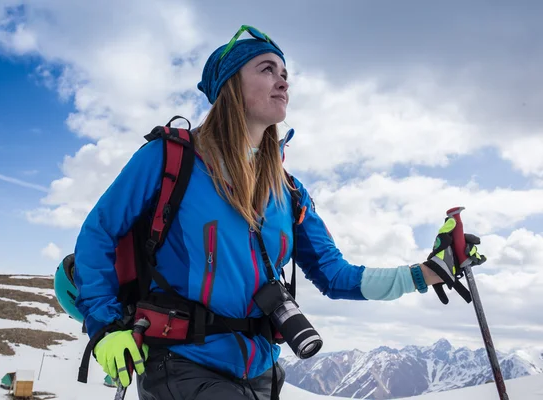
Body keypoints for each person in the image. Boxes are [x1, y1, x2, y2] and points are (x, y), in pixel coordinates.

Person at [72, 25, 486, 400]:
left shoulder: (287, 191)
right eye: (267, 69)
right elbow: (99, 233)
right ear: (232, 86)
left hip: (263, 371)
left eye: (285, 73)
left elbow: (336, 275)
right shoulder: (170, 159)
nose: (283, 80)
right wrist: (106, 326)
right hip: (181, 364)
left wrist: (429, 271)